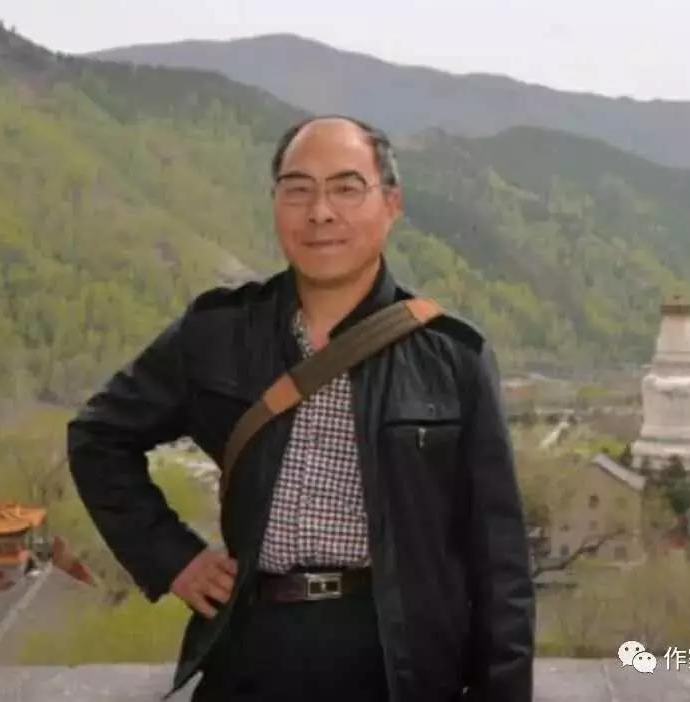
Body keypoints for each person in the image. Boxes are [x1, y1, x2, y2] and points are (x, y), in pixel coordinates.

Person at [67, 115, 534, 702]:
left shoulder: (452, 356)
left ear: (391, 204)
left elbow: (500, 562)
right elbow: (98, 437)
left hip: (400, 658)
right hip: (253, 645)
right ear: (275, 203)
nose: (320, 212)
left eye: (346, 188)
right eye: (298, 189)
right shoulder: (217, 332)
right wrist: (173, 557)